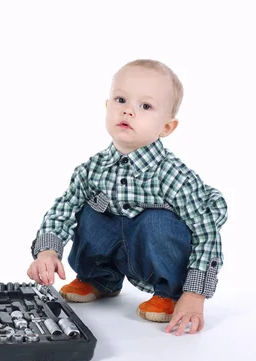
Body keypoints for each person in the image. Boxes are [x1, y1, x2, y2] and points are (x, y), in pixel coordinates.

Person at [27, 59, 228, 336]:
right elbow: (63, 208)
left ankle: (169, 292)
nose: (128, 111)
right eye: (121, 99)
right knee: (88, 209)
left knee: (156, 220)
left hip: (154, 247)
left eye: (145, 106)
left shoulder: (175, 177)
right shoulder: (92, 169)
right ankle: (99, 279)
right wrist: (48, 251)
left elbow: (207, 234)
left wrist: (195, 294)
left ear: (166, 128)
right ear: (107, 107)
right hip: (117, 244)